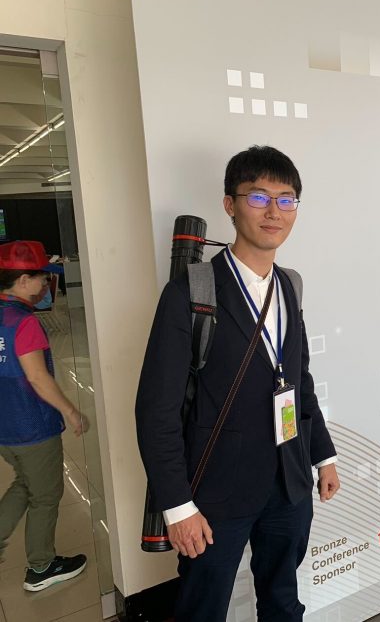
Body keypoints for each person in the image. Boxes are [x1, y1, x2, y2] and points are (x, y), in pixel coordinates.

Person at [136, 146, 340, 621]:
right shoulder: (192, 291)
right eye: (259, 197)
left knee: (283, 602)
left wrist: (322, 455)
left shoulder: (289, 285)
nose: (274, 212)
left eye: (286, 200)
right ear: (230, 204)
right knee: (202, 610)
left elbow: (299, 380)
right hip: (214, 494)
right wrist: (178, 507)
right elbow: (156, 411)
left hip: (288, 484)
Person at [0, 240, 88, 591]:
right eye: (41, 278)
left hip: (5, 427)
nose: (45, 285)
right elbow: (37, 378)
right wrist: (71, 411)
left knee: (25, 483)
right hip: (31, 428)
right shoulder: (24, 323)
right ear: (23, 280)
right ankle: (41, 567)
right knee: (46, 495)